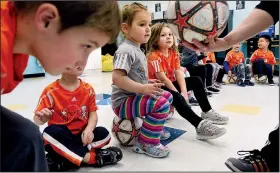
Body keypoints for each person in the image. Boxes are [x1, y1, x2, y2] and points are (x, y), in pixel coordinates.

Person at [0, 1, 121, 171]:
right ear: (46, 20)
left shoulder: (17, 57)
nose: (83, 62)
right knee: (27, 137)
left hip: (80, 136)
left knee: (26, 136)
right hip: (59, 133)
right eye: (86, 46)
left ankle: (69, 156)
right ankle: (84, 157)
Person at [181, 1, 279, 172]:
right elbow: (272, 7)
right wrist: (226, 42)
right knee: (208, 69)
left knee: (211, 69)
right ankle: (272, 159)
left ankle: (207, 110)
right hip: (165, 83)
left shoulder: (244, 53)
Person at [146, 23, 228, 140]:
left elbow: (178, 72)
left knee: (196, 80)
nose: (168, 37)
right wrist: (178, 94)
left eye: (170, 34)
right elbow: (163, 79)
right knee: (177, 96)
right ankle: (199, 126)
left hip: (168, 85)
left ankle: (207, 111)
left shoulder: (172, 53)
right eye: (163, 35)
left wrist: (184, 92)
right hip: (157, 89)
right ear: (154, 40)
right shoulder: (153, 56)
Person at [111, 2, 172, 158]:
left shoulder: (137, 49)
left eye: (149, 24)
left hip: (134, 97)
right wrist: (142, 89)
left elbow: (134, 76)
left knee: (167, 96)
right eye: (142, 24)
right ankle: (146, 143)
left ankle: (152, 129)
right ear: (125, 28)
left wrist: (146, 84)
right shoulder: (125, 50)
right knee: (161, 104)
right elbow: (117, 78)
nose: (148, 29)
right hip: (123, 103)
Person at [34, 71, 123, 171]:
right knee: (48, 133)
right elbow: (37, 120)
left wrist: (89, 129)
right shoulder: (50, 91)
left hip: (82, 138)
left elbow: (93, 115)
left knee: (104, 134)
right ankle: (91, 158)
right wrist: (42, 119)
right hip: (62, 138)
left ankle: (66, 160)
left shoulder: (88, 89)